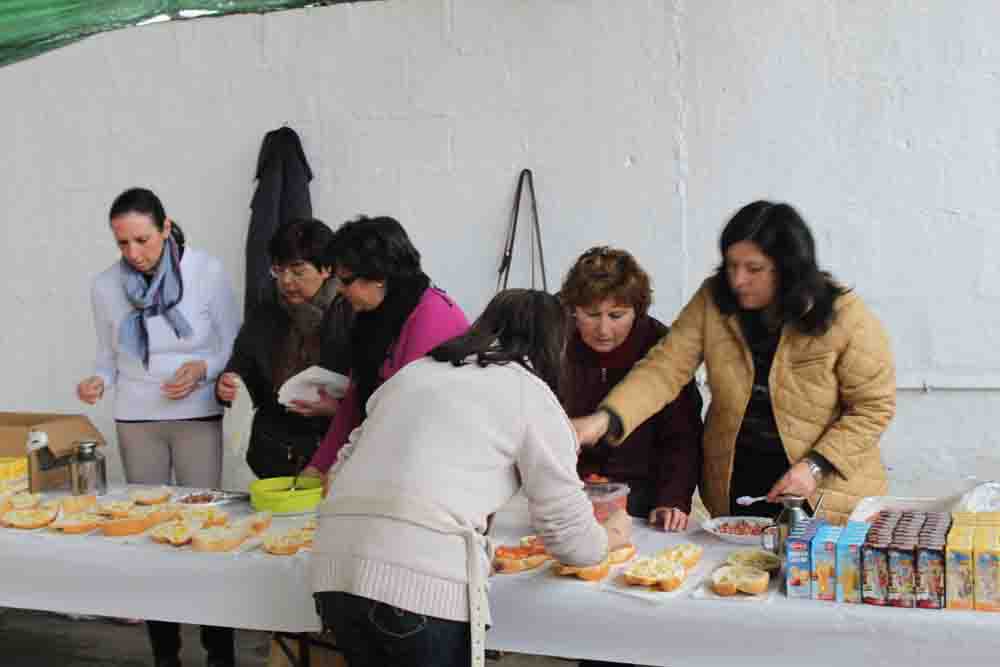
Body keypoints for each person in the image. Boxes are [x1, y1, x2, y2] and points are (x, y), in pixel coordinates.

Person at [310, 289, 633, 667]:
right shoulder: (529, 393)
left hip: (333, 569)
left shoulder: (413, 374)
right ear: (555, 346)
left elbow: (340, 470)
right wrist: (611, 535)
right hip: (418, 585)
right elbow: (571, 541)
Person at [572, 201, 896, 524]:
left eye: (753, 269)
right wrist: (605, 420)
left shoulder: (845, 314)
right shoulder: (713, 301)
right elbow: (664, 368)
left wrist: (813, 466)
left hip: (826, 492)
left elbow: (873, 407)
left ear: (788, 268)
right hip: (738, 486)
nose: (738, 280)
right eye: (731, 265)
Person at [76, 187, 240, 667]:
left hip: (196, 415)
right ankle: (165, 652)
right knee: (149, 533)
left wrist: (201, 370)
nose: (134, 254)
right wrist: (97, 381)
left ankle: (219, 651)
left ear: (166, 229)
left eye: (143, 240)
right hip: (136, 417)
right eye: (123, 244)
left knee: (205, 532)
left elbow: (233, 346)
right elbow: (109, 357)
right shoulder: (105, 286)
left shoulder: (206, 272)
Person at [301, 216, 469, 481]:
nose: (340, 291)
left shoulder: (432, 316)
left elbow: (404, 414)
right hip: (388, 459)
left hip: (428, 470)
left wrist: (345, 469)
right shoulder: (371, 317)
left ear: (378, 277)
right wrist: (319, 466)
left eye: (345, 281)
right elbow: (355, 402)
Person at [560, 246, 704, 532]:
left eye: (616, 315)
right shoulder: (557, 344)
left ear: (637, 312)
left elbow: (683, 436)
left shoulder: (661, 347)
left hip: (645, 500)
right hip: (571, 497)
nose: (603, 329)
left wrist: (672, 498)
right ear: (573, 310)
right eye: (591, 314)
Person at [215, 218, 353, 479]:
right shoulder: (265, 313)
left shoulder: (351, 311)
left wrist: (336, 408)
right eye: (279, 270)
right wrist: (228, 384)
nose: (286, 281)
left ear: (326, 269)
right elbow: (243, 367)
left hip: (337, 453)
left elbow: (373, 390)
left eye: (297, 271)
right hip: (274, 451)